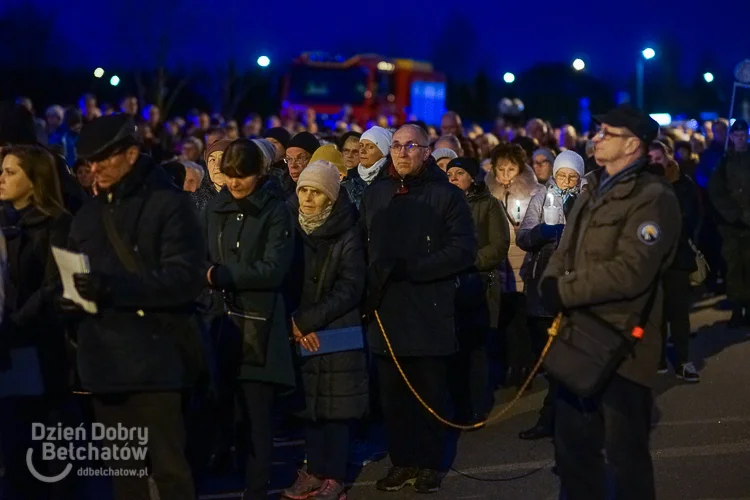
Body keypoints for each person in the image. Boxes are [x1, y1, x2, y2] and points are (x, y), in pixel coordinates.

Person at [540, 105, 680, 500]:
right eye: (598, 131)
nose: (596, 138)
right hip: (578, 342)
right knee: (573, 454)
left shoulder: (653, 197)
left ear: (632, 144)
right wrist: (551, 280)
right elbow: (564, 248)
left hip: (623, 345)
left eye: (607, 133)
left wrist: (564, 291)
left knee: (625, 461)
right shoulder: (592, 188)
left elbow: (631, 271)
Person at [65, 114, 206, 500]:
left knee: (169, 470)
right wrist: (66, 301)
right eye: (89, 164)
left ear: (130, 154)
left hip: (155, 361)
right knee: (125, 474)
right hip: (103, 363)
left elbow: (186, 279)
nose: (94, 171)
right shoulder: (88, 215)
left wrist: (113, 288)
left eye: (103, 161)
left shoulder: (168, 204)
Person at [360, 124, 477, 493]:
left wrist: (415, 268)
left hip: (429, 308)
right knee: (392, 397)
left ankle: (428, 462)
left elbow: (462, 250)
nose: (402, 152)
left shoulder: (446, 196)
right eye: (396, 146)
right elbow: (361, 245)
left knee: (428, 392)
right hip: (386, 309)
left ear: (427, 151)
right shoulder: (377, 193)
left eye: (411, 146)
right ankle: (402, 461)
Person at [204, 139, 296, 500]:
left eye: (242, 175)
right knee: (231, 412)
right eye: (229, 175)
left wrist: (225, 275)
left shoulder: (275, 210)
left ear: (259, 172)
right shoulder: (216, 208)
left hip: (260, 322)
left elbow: (274, 268)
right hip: (222, 322)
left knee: (258, 416)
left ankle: (256, 490)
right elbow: (206, 255)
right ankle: (235, 473)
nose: (235, 183)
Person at [282, 161, 368, 500]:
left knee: (336, 408)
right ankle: (314, 471)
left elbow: (350, 287)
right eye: (303, 190)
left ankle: (335, 475)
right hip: (300, 328)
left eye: (315, 192)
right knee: (311, 406)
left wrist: (306, 321)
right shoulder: (290, 227)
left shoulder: (348, 231)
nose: (306, 198)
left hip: (336, 327)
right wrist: (294, 322)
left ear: (330, 197)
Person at [0, 145, 68, 499]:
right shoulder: (3, 220)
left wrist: (14, 324)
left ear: (35, 179)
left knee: (37, 445)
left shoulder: (56, 222)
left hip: (36, 344)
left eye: (11, 172)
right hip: (7, 344)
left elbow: (53, 286)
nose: (2, 178)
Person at [515, 150, 584, 440]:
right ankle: (558, 415)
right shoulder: (541, 197)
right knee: (547, 356)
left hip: (571, 287)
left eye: (572, 177)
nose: (566, 181)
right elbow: (523, 237)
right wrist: (544, 230)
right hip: (541, 284)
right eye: (561, 175)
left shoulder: (586, 202)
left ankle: (555, 419)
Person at [446, 157, 510, 423]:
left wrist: (466, 259)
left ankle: (477, 405)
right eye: (449, 174)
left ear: (472, 177)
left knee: (476, 348)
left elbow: (498, 245)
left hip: (479, 285)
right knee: (454, 349)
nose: (452, 178)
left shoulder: (489, 205)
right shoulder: (442, 205)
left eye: (459, 173)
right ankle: (457, 404)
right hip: (449, 286)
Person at [485, 142, 544, 385]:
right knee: (503, 319)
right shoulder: (488, 195)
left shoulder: (534, 193)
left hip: (523, 264)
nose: (506, 175)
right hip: (500, 266)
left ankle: (525, 366)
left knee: (522, 320)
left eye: (511, 169)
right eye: (501, 169)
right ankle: (508, 366)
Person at [649, 141, 701, 381]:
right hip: (650, 260)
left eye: (658, 158)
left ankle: (683, 360)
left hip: (677, 257)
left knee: (678, 312)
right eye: (650, 159)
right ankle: (657, 359)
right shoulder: (642, 184)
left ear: (667, 158)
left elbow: (691, 218)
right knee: (655, 313)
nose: (655, 163)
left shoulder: (682, 184)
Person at [709, 119, 750, 327]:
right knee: (733, 267)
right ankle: (736, 308)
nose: (741, 139)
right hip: (731, 226)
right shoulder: (724, 161)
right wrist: (733, 215)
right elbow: (716, 191)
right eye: (737, 136)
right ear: (732, 137)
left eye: (744, 136)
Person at [192, 138, 231, 214]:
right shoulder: (195, 201)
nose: (217, 165)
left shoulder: (246, 198)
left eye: (223, 159)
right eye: (212, 160)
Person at [282, 132, 320, 201]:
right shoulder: (282, 188)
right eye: (289, 159)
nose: (293, 165)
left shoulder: (325, 190)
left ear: (314, 159)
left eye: (300, 158)